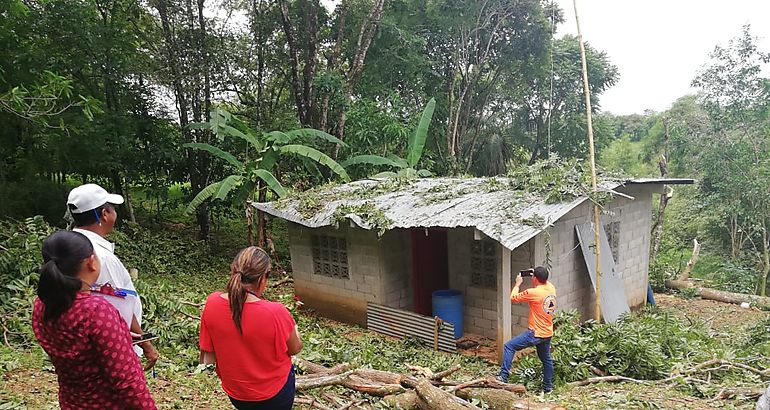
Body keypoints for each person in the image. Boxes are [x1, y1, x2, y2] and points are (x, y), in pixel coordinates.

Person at [32, 230, 156, 409]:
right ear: (91, 262)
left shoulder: (42, 304)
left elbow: (79, 343)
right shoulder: (96, 311)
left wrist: (118, 335)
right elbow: (126, 382)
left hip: (72, 401)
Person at [67, 183, 159, 368]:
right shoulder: (102, 258)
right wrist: (146, 345)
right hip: (110, 347)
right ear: (104, 215)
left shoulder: (69, 246)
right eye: (113, 209)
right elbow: (119, 304)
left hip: (81, 344)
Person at [199, 247, 302, 410]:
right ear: (262, 278)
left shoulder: (212, 303)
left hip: (236, 393)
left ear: (233, 271)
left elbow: (209, 350)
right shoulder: (275, 312)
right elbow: (295, 348)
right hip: (273, 394)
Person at [497, 266, 556, 393]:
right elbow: (542, 277)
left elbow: (513, 298)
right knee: (546, 359)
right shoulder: (551, 288)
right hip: (547, 332)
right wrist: (534, 272)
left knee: (509, 346)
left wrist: (518, 284)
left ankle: (503, 377)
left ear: (534, 278)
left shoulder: (533, 293)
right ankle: (548, 387)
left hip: (535, 333)